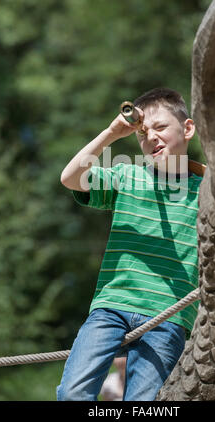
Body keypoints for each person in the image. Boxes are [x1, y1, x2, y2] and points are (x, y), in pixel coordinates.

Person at [57, 87, 203, 401]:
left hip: (167, 317)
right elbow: (70, 179)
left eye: (161, 127)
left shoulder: (208, 192)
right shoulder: (127, 177)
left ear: (187, 128)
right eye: (143, 133)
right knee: (72, 394)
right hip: (111, 308)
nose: (151, 137)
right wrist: (111, 134)